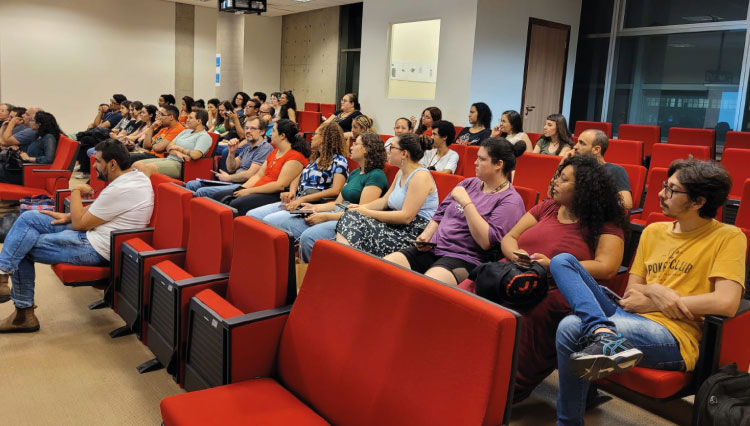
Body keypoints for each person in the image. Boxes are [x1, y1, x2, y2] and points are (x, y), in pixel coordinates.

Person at [553, 159, 745, 426]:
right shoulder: (654, 231)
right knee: (562, 261)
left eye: (671, 190)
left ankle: (569, 421)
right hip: (629, 313)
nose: (660, 193)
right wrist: (656, 292)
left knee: (571, 326)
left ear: (698, 201)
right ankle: (604, 333)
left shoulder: (728, 237)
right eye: (665, 185)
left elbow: (726, 302)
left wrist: (663, 298)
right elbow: (632, 293)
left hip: (674, 335)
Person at [460, 154, 627, 403]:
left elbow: (608, 267)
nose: (555, 182)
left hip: (558, 286)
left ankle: (505, 388)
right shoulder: (548, 206)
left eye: (563, 179)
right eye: (558, 176)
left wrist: (554, 266)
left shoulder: (604, 222)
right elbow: (510, 237)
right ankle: (461, 366)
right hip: (516, 272)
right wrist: (517, 256)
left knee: (529, 314)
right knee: (466, 290)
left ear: (584, 188)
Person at [0, 140, 154, 333]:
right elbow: (146, 166)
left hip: (94, 247)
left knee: (21, 246)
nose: (95, 166)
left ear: (113, 164)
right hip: (93, 232)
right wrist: (67, 215)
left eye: (98, 161)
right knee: (29, 218)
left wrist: (75, 191)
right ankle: (3, 274)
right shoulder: (137, 177)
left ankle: (23, 315)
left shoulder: (120, 188)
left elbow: (80, 223)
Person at [385, 137, 527, 285]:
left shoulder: (511, 201)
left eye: (481, 159)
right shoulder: (468, 183)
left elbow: (486, 242)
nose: (475, 162)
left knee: (427, 286)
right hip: (434, 248)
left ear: (499, 164)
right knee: (385, 268)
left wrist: (466, 203)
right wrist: (427, 235)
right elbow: (440, 213)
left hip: (465, 257)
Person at [275, 132, 390, 262]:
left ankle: (313, 276)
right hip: (337, 213)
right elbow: (338, 203)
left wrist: (326, 216)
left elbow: (360, 214)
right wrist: (315, 207)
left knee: (308, 238)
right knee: (283, 224)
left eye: (356, 144)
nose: (351, 147)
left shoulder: (376, 176)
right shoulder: (355, 172)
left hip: (350, 223)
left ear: (367, 149)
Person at [335, 132, 439, 257]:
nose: (387, 151)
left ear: (404, 153)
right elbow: (384, 201)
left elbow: (406, 217)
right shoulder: (401, 172)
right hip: (396, 226)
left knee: (352, 220)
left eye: (391, 147)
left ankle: (347, 263)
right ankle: (347, 262)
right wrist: (360, 208)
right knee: (350, 216)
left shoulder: (420, 176)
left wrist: (365, 212)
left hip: (413, 233)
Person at [247, 120, 349, 225]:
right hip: (298, 200)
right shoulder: (315, 158)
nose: (312, 137)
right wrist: (292, 192)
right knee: (252, 215)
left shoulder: (339, 161)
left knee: (269, 221)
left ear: (324, 138)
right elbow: (298, 177)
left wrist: (303, 199)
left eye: (315, 134)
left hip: (314, 204)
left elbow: (336, 190)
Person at [210, 119, 309, 215]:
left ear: (282, 136)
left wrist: (249, 191)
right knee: (218, 196)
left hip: (273, 194)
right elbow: (258, 175)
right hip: (258, 187)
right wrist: (243, 188)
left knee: (236, 204)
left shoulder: (295, 157)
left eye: (273, 131)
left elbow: (280, 185)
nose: (270, 134)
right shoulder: (275, 151)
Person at [185, 116, 272, 198]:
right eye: (246, 128)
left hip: (243, 185)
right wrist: (231, 152)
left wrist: (228, 178)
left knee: (202, 191)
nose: (248, 131)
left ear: (262, 131)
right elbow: (231, 168)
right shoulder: (249, 147)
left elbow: (250, 174)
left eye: (252, 128)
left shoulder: (264, 148)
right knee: (191, 184)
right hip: (233, 181)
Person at [132, 109, 213, 179]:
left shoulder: (204, 136)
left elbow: (195, 154)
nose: (187, 120)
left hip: (182, 165)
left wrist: (178, 148)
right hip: (170, 158)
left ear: (199, 121)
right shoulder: (186, 131)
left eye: (190, 118)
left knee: (147, 168)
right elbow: (169, 147)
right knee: (136, 164)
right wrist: (177, 153)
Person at [566, 129, 633, 209]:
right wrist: (564, 161)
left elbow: (626, 204)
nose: (575, 147)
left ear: (596, 149)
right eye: (577, 142)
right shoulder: (574, 168)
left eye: (582, 143)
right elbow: (551, 194)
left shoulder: (616, 170)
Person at [0, 111, 61, 185]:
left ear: (39, 124)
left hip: (28, 173)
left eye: (32, 120)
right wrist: (19, 152)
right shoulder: (39, 135)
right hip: (24, 169)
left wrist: (28, 158)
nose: (30, 123)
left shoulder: (49, 137)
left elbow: (49, 159)